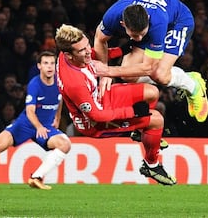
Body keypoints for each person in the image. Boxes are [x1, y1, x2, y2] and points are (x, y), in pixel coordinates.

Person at [55, 24, 176, 186]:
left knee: (152, 92)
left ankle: (142, 133)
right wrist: (133, 111)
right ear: (69, 55)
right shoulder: (75, 83)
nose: (87, 51)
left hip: (100, 97)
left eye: (87, 45)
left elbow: (93, 54)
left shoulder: (69, 56)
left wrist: (122, 50)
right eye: (81, 50)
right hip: (95, 122)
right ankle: (151, 165)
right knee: (156, 120)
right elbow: (96, 116)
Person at [93, 0, 208, 122]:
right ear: (123, 24)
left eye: (142, 33)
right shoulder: (112, 15)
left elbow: (148, 68)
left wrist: (109, 71)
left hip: (178, 22)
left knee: (160, 74)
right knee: (127, 75)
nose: (139, 38)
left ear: (147, 19)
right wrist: (103, 74)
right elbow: (99, 39)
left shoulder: (157, 23)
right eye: (134, 35)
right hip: (156, 21)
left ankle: (193, 85)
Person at [0, 51, 71, 190]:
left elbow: (60, 100)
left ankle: (36, 177)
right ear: (39, 66)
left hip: (45, 126)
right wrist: (38, 127)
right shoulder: (35, 84)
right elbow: (30, 111)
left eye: (52, 63)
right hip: (25, 124)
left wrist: (57, 117)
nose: (49, 67)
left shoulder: (60, 82)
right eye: (45, 63)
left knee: (65, 145)